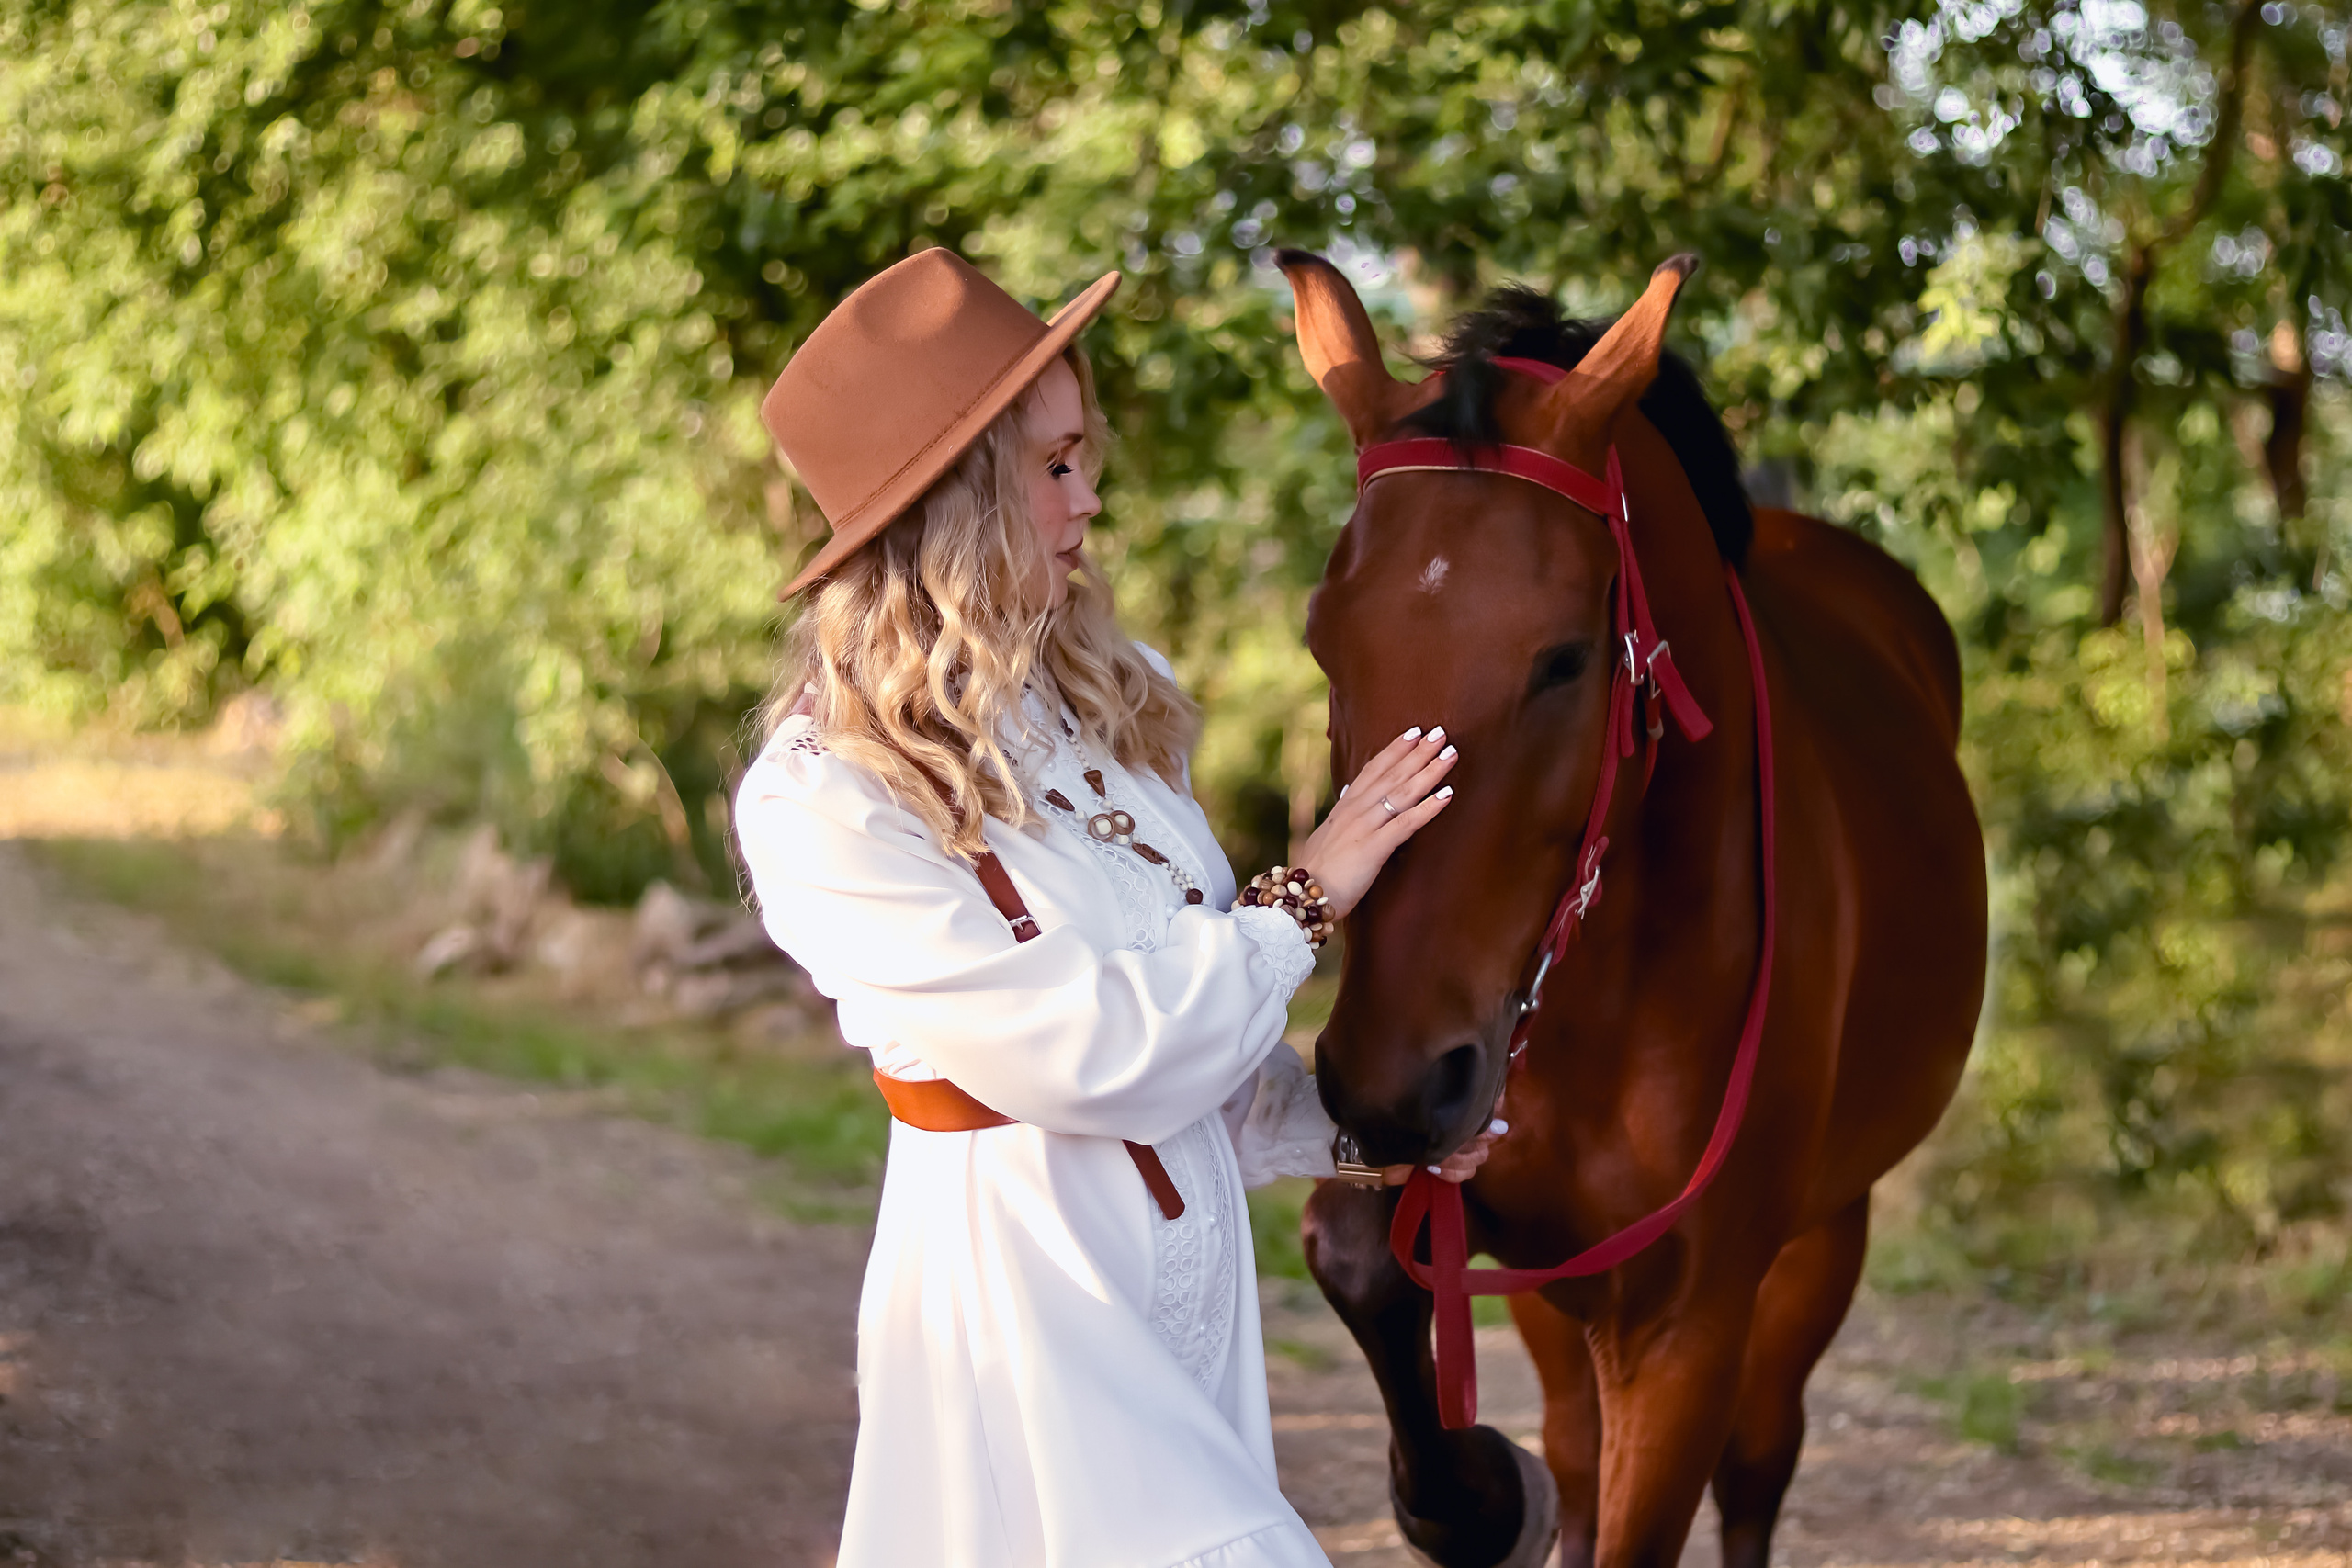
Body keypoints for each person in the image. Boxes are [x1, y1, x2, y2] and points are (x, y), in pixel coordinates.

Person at [734, 249, 1496, 1568]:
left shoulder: (1105, 694)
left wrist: (1368, 1132)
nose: (1091, 498)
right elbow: (1097, 1054)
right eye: (1055, 466)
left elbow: (1191, 1051)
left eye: (1087, 458)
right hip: (1026, 1307)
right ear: (958, 498)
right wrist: (1307, 895)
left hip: (1188, 1290)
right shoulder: (828, 802)